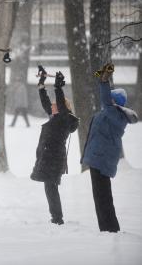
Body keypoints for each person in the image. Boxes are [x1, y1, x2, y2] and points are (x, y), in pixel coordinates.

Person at [81, 64, 138, 233]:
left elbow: (105, 98)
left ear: (115, 101)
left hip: (100, 160)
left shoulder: (113, 113)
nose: (107, 100)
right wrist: (101, 77)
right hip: (100, 159)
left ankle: (109, 229)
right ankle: (107, 228)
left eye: (110, 98)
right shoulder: (111, 114)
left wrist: (104, 80)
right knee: (102, 196)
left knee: (102, 197)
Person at [30, 71, 79, 225]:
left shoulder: (64, 119)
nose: (52, 107)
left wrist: (58, 87)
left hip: (54, 158)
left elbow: (60, 104)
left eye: (55, 105)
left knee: (51, 188)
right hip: (49, 158)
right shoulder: (57, 117)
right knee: (50, 188)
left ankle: (57, 219)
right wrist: (42, 84)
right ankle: (56, 217)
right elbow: (46, 103)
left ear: (62, 107)